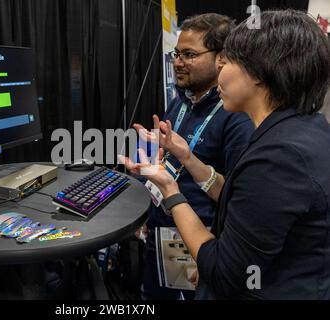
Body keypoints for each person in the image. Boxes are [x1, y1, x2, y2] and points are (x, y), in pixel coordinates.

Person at [121, 9, 330, 299]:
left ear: (258, 72)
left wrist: (170, 189)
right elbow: (243, 201)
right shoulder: (302, 129)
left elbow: (224, 272)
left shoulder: (281, 158)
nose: (222, 70)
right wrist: (187, 157)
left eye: (227, 61)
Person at [133, 14, 254, 300]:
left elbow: (236, 200)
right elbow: (169, 163)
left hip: (198, 248)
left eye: (189, 54)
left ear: (221, 58)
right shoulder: (182, 101)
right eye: (177, 54)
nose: (177, 62)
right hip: (161, 237)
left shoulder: (238, 119)